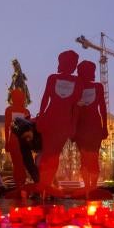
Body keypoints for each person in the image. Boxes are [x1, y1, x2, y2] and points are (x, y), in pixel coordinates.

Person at [36, 50, 83, 195]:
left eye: (75, 63)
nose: (74, 66)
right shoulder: (53, 78)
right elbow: (45, 98)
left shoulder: (77, 81)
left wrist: (73, 126)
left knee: (55, 153)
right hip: (50, 119)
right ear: (63, 62)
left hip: (64, 123)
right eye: (71, 62)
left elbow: (76, 107)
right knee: (47, 153)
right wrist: (41, 116)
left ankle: (47, 182)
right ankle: (43, 183)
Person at [73, 60, 110, 199]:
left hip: (94, 126)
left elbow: (103, 107)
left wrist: (104, 126)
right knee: (84, 157)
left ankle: (93, 186)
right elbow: (72, 108)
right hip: (80, 127)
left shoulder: (98, 87)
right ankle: (87, 185)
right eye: (90, 70)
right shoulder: (77, 87)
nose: (92, 73)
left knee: (93, 157)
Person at [5, 89, 31, 191]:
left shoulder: (25, 111)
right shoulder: (10, 110)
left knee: (20, 163)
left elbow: (29, 129)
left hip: (22, 142)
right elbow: (7, 127)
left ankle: (21, 184)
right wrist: (7, 142)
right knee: (17, 163)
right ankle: (19, 184)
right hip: (15, 141)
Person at [11, 116, 41, 184]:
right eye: (24, 138)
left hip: (47, 146)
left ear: (31, 129)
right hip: (39, 147)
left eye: (28, 136)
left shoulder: (40, 127)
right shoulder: (22, 142)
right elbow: (28, 162)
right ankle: (41, 184)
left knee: (42, 164)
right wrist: (37, 180)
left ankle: (52, 183)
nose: (27, 140)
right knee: (37, 167)